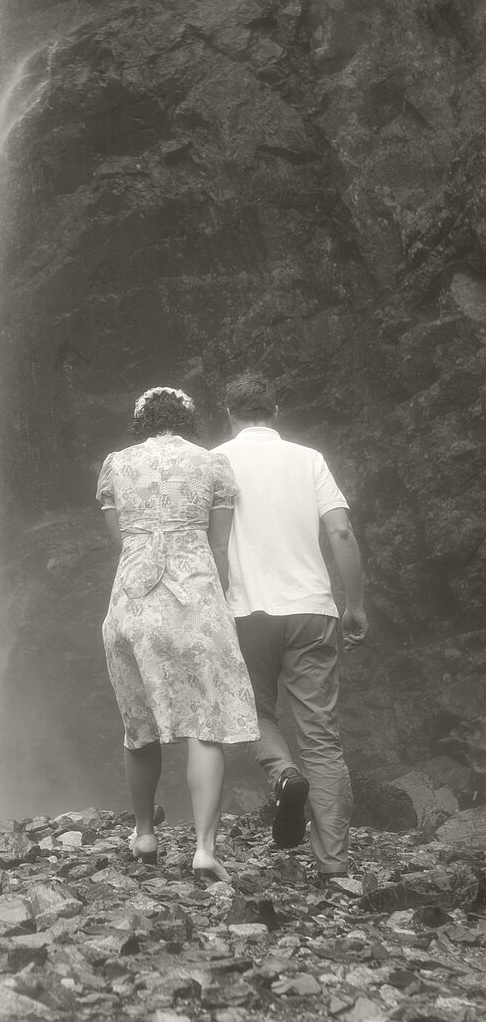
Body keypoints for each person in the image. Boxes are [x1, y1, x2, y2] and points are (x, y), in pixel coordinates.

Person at [97, 386, 259, 882]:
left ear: (141, 421)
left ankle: (145, 833)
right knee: (206, 724)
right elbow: (219, 543)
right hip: (195, 599)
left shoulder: (116, 465)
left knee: (138, 726)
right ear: (188, 420)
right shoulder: (213, 465)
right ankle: (205, 848)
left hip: (133, 603)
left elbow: (118, 540)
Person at [215, 372, 368, 881]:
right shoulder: (309, 460)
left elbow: (209, 540)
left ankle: (283, 774)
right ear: (275, 412)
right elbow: (341, 530)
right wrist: (356, 604)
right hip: (312, 610)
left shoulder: (216, 460)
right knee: (322, 738)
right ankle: (333, 863)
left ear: (230, 414)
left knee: (253, 710)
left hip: (246, 610)